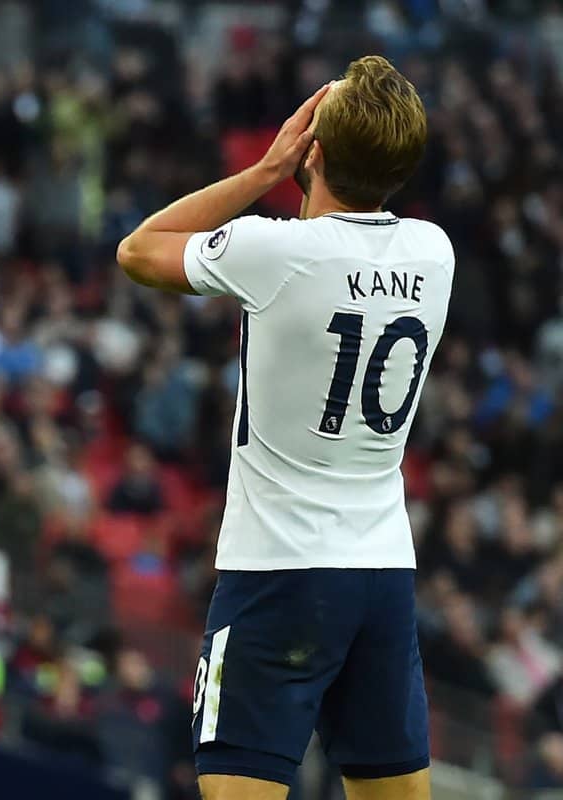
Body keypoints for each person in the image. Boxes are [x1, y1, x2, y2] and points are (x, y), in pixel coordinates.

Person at [117, 56, 449, 800]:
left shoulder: (277, 251)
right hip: (383, 573)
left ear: (315, 150)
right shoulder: (437, 254)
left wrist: (266, 168)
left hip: (279, 573)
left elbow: (138, 250)